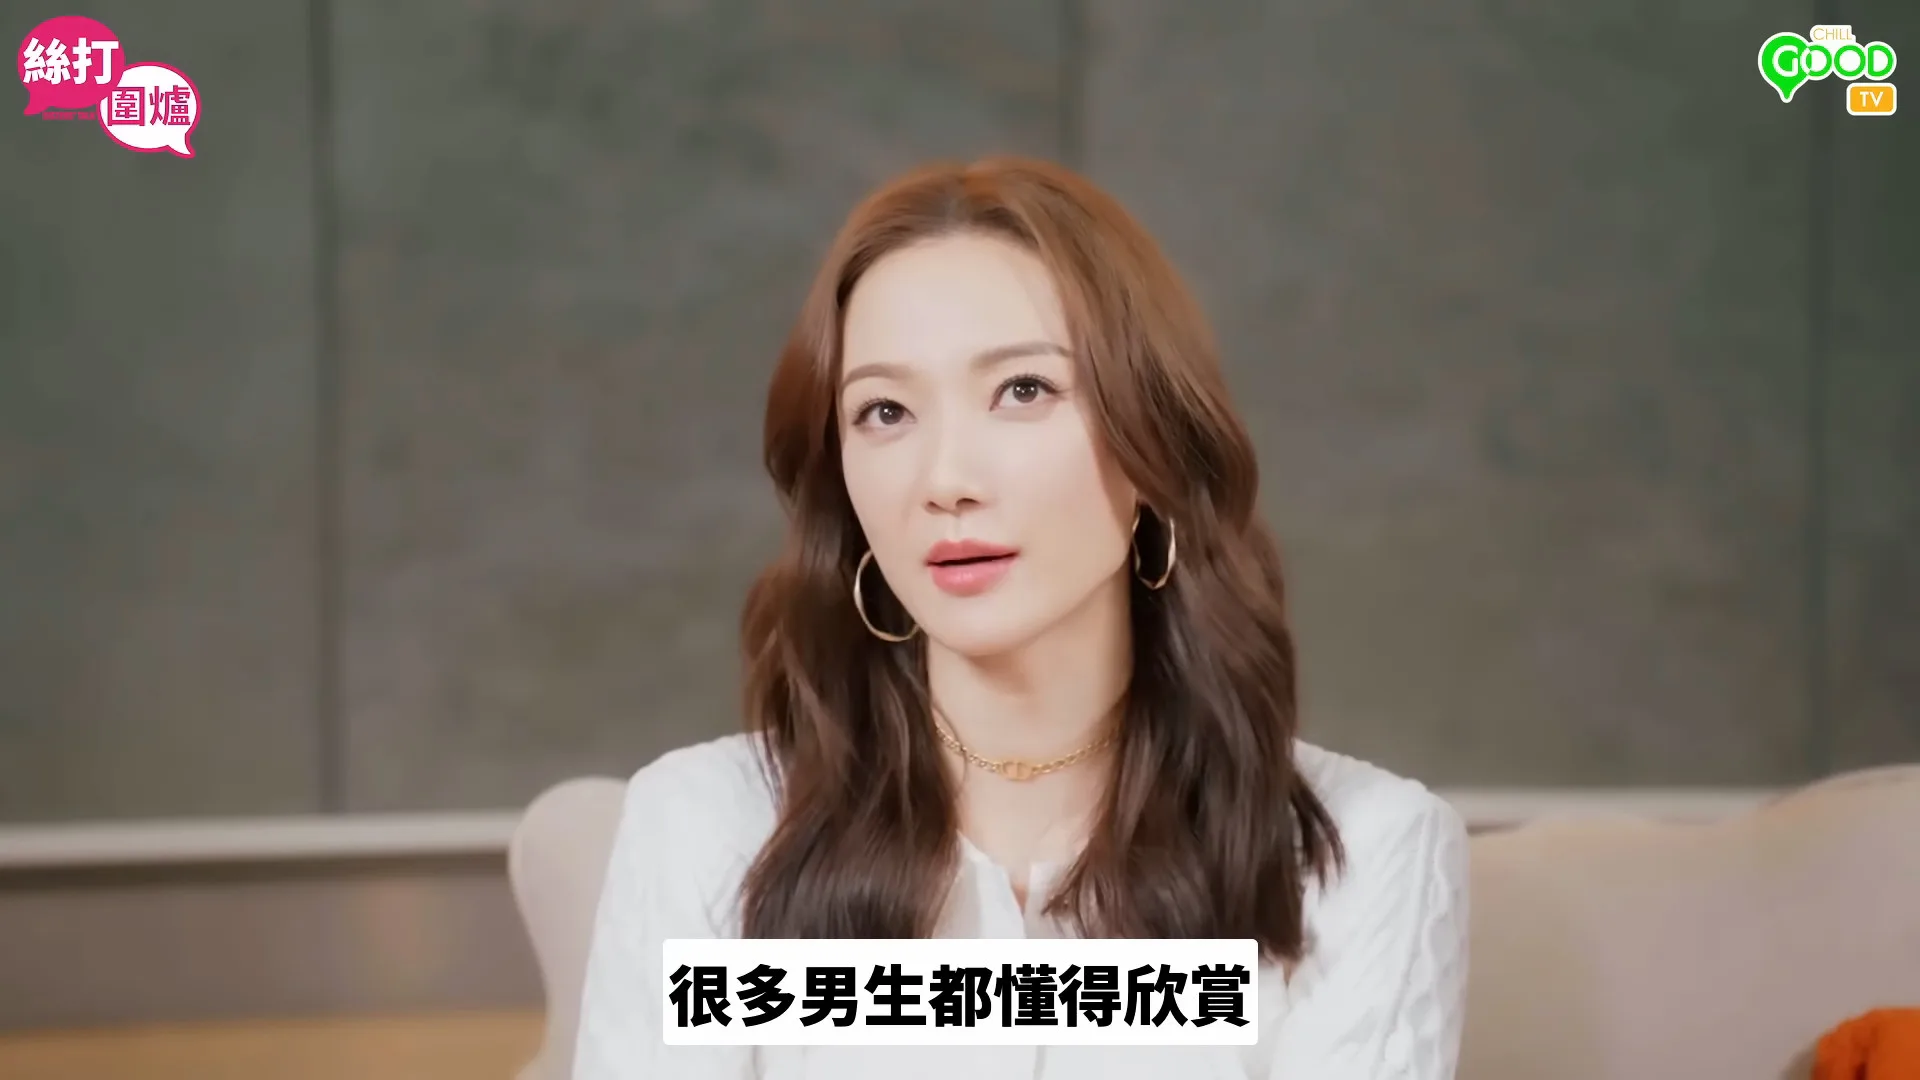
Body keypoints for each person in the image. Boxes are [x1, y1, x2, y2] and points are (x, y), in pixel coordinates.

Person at [573, 156, 1470, 1079]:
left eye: (1024, 391)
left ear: (1153, 438)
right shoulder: (707, 826)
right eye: (885, 410)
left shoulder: (1361, 855)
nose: (946, 480)